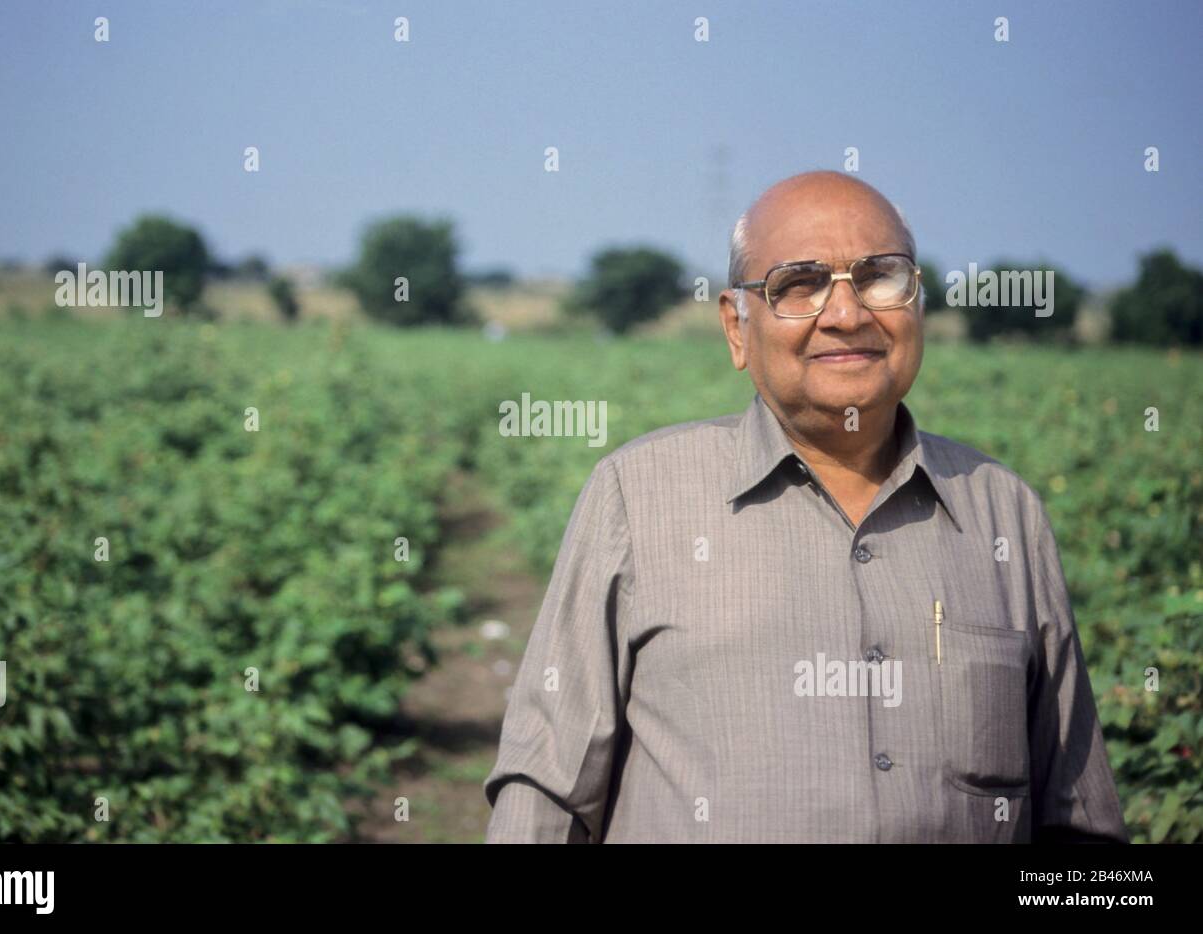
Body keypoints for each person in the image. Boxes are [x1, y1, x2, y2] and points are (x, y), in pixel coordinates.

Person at [482, 170, 1128, 843]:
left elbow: (1078, 822)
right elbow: (546, 790)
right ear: (737, 327)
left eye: (880, 277)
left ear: (917, 306)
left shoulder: (1005, 515)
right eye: (799, 285)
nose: (847, 315)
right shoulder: (638, 497)